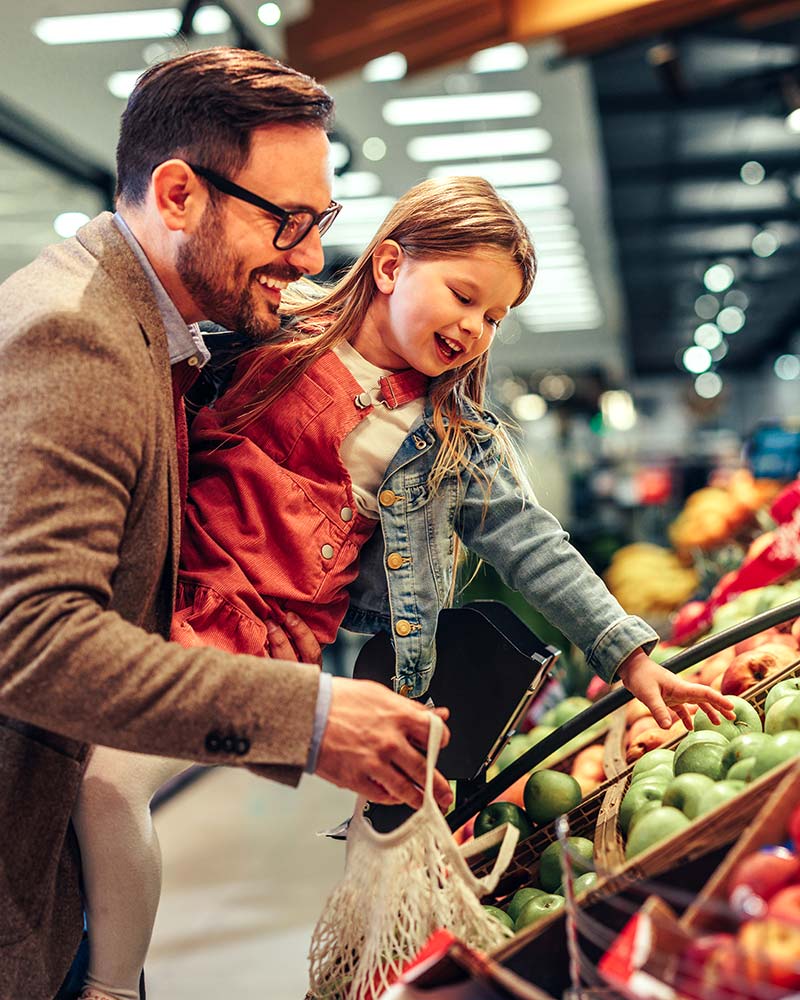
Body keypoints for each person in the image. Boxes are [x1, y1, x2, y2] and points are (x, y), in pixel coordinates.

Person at [71, 176, 735, 1000]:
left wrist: (630, 654)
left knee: (107, 783)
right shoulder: (267, 337)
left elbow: (535, 546)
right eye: (464, 295)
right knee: (64, 782)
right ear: (388, 264)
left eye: (494, 317)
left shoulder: (455, 441)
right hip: (142, 594)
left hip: (251, 639)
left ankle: (108, 988)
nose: (474, 328)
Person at [0, 48, 453, 1000]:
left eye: (320, 219)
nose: (311, 256)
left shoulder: (156, 334)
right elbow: (34, 637)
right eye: (287, 220)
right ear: (176, 193)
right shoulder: (73, 335)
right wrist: (314, 718)